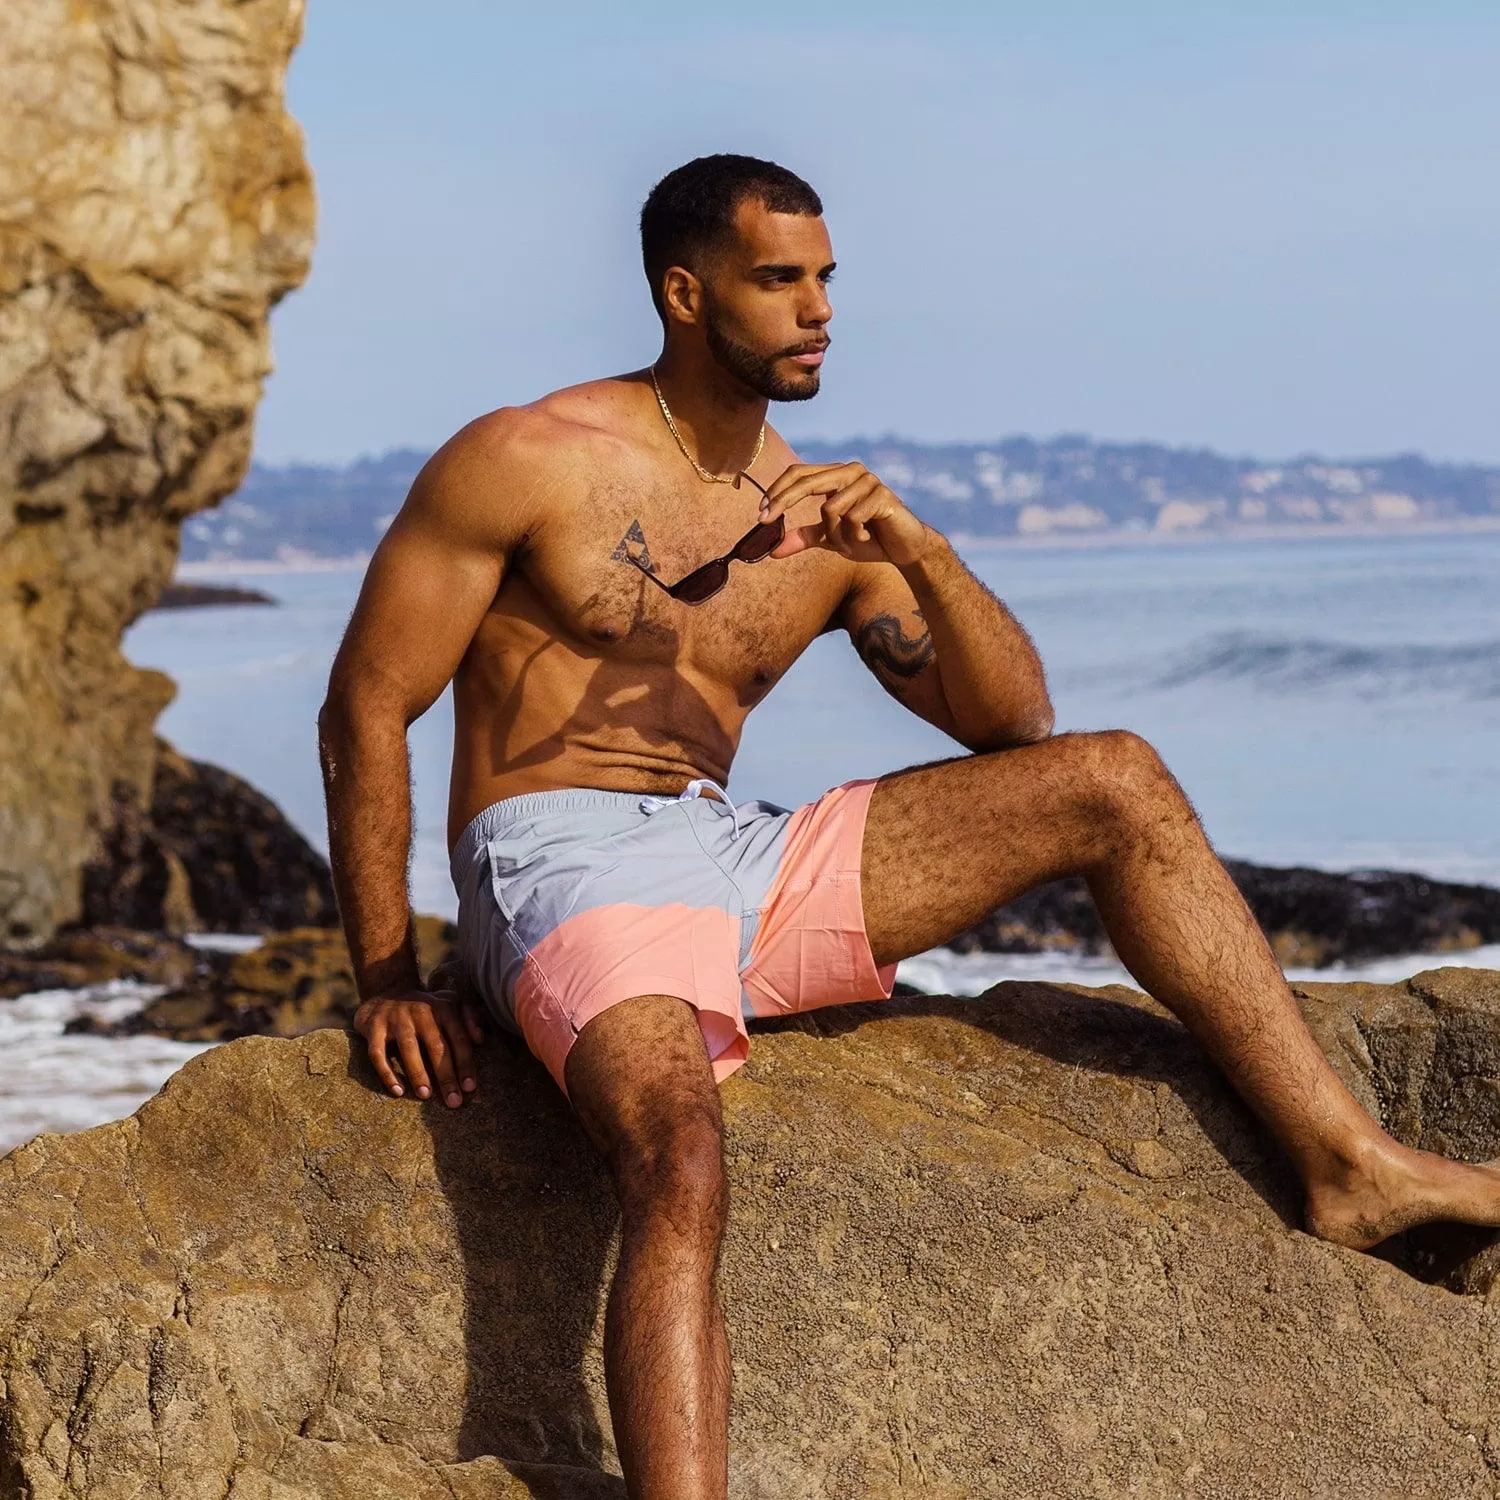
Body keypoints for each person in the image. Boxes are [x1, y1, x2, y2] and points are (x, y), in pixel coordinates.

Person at [318, 153, 1500, 1500]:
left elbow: (1014, 726)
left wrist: (921, 550)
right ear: (686, 292)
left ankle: (1351, 1167)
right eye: (782, 280)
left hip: (732, 850)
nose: (819, 308)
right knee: (679, 1149)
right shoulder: (528, 458)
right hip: (562, 854)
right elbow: (367, 704)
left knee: (1114, 780)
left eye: (827, 279)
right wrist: (384, 977)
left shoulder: (820, 514)